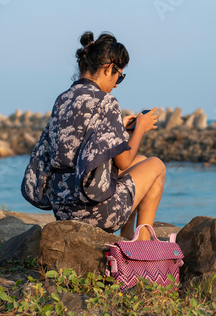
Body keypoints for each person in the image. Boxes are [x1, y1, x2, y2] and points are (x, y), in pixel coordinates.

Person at [24, 31, 166, 241]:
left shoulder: (62, 100)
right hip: (95, 212)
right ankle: (142, 245)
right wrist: (139, 130)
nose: (117, 83)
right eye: (120, 75)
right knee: (156, 165)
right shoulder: (106, 101)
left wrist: (119, 128)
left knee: (141, 161)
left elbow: (79, 142)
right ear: (108, 68)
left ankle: (127, 240)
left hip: (63, 210)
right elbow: (124, 162)